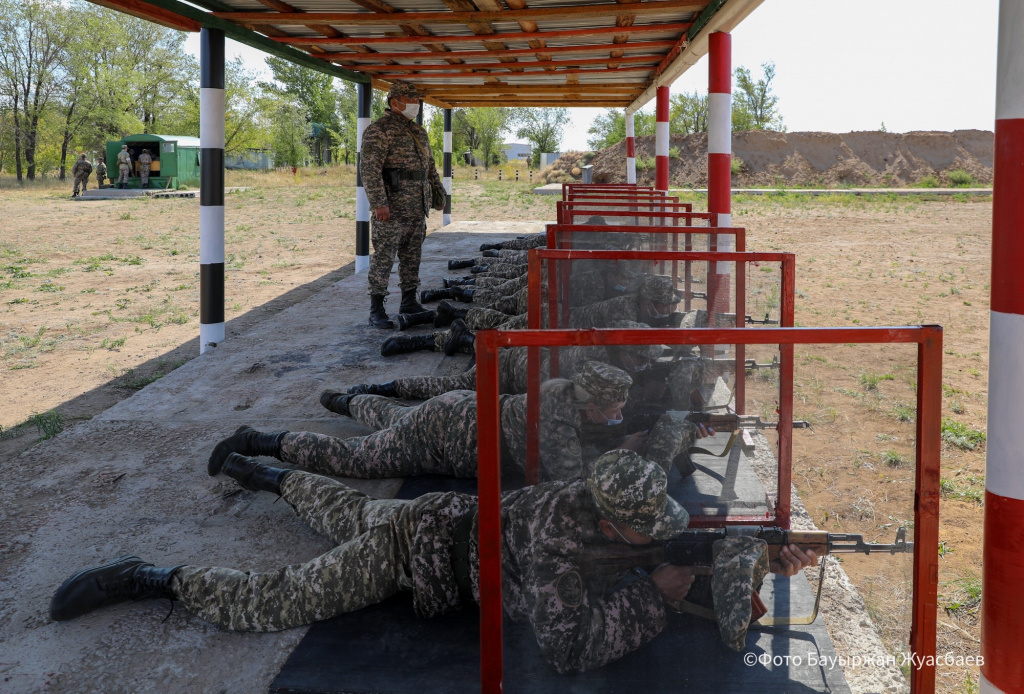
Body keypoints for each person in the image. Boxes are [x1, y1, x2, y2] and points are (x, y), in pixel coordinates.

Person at [48, 450, 817, 674]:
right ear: (613, 516)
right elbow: (567, 649)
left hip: (433, 516)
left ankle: (264, 471)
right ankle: (151, 575)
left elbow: (676, 550)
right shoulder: (558, 536)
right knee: (280, 598)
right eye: (644, 531)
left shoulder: (612, 506)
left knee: (341, 507)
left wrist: (753, 560)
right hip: (414, 554)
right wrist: (655, 594)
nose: (656, 535)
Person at [208, 361, 635, 483]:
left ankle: (344, 401)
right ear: (589, 406)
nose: (618, 415)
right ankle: (261, 440)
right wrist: (628, 451)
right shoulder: (559, 424)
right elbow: (571, 480)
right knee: (357, 459)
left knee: (396, 417)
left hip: (455, 410)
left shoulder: (562, 393)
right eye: (614, 409)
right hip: (444, 438)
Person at [360, 81, 445, 329]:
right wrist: (379, 204)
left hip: (417, 208)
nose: (415, 104)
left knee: (412, 257)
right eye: (411, 100)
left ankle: (409, 301)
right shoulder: (379, 130)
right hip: (391, 210)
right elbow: (369, 170)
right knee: (384, 259)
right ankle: (376, 310)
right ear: (395, 101)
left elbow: (430, 168)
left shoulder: (418, 132)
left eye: (417, 100)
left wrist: (439, 195)